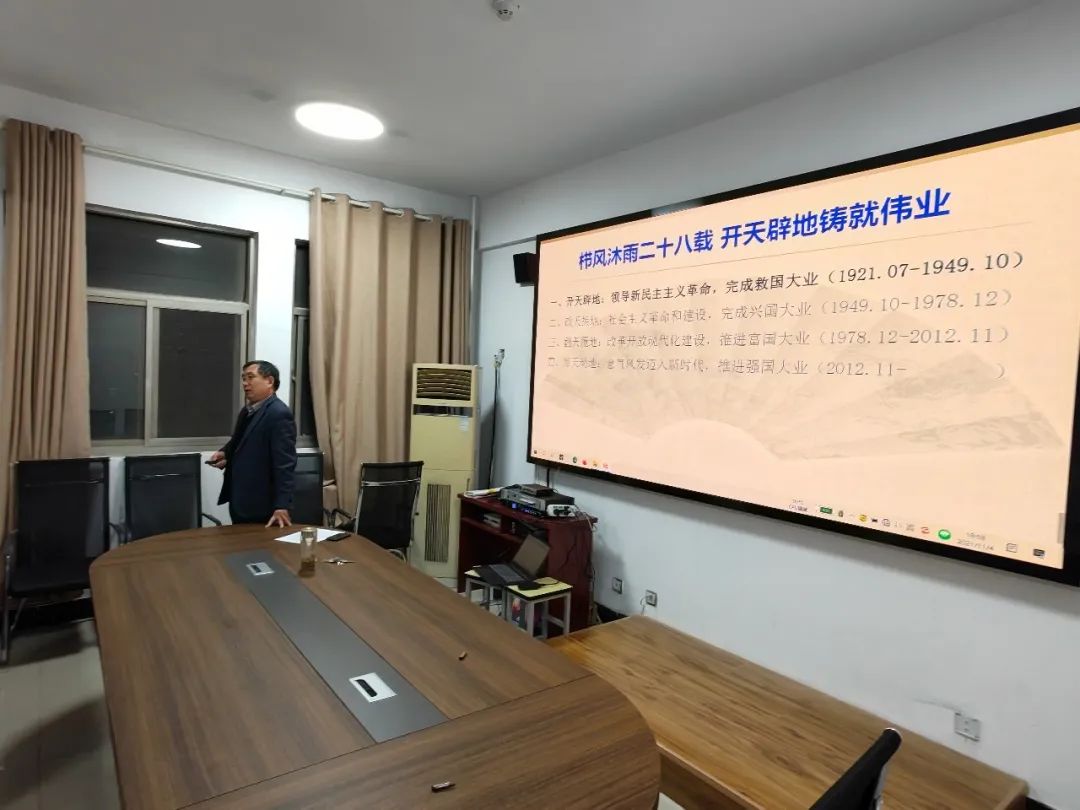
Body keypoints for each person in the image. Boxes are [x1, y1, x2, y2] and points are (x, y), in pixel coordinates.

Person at [209, 360, 297, 527]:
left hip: (263, 505)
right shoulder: (248, 410)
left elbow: (285, 464)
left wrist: (282, 505)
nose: (245, 383)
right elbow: (240, 441)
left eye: (250, 377)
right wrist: (225, 453)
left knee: (259, 544)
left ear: (269, 381)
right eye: (243, 378)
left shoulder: (279, 414)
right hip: (241, 499)